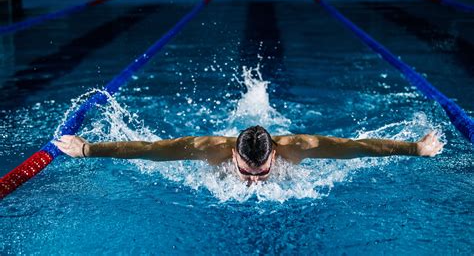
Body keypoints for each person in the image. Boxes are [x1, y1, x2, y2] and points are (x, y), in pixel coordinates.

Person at [53, 125, 443, 183]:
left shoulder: (300, 147)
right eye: (246, 171)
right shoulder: (209, 150)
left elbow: (358, 149)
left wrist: (416, 148)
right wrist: (87, 149)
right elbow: (151, 151)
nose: (253, 181)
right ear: (233, 155)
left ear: (275, 152)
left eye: (260, 172)